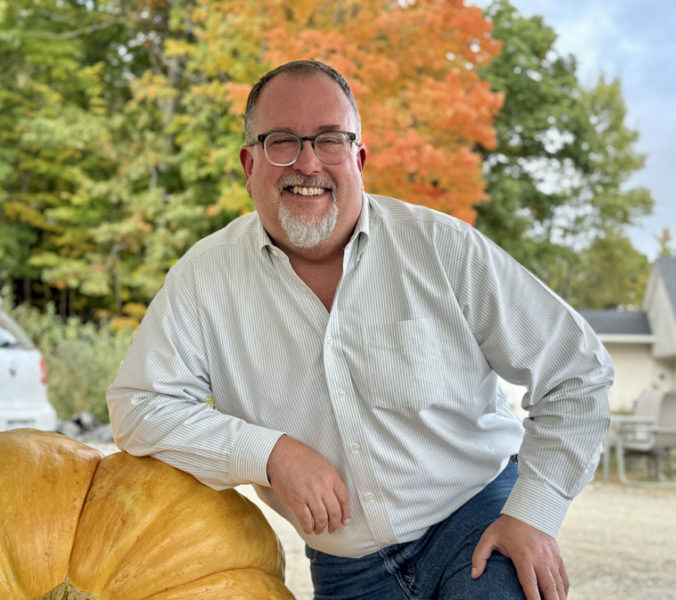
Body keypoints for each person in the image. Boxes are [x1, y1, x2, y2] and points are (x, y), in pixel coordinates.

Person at [107, 60, 613, 600]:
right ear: (248, 162)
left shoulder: (442, 248)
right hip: (346, 568)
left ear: (359, 157)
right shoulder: (203, 278)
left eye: (329, 140)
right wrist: (271, 453)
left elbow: (576, 371)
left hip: (476, 526)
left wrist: (534, 514)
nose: (306, 163)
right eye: (282, 141)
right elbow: (139, 406)